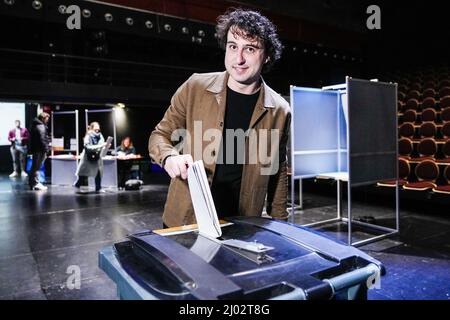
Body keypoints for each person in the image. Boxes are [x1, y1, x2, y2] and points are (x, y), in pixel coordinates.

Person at [149, 8, 291, 228]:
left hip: (243, 224)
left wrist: (282, 226)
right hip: (186, 220)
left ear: (267, 56)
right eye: (233, 46)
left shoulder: (280, 110)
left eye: (250, 49)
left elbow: (278, 170)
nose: (239, 58)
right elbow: (160, 135)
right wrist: (169, 157)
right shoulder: (195, 86)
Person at [74, 122, 107, 193]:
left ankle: (98, 188)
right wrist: (101, 146)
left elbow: (102, 143)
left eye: (98, 127)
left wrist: (106, 146)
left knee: (98, 172)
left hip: (97, 157)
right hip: (88, 158)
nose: (98, 128)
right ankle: (77, 184)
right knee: (83, 174)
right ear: (92, 128)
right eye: (96, 127)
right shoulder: (88, 136)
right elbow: (88, 147)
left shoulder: (100, 135)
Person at [28, 112, 50, 190]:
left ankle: (32, 183)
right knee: (37, 167)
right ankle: (36, 183)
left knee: (35, 167)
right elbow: (43, 138)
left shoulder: (35, 125)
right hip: (40, 150)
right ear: (43, 118)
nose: (48, 120)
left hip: (36, 149)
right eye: (47, 118)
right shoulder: (40, 126)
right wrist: (47, 149)